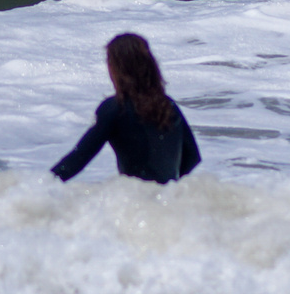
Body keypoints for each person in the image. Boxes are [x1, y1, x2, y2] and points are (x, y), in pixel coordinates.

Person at [52, 32, 201, 184]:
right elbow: (193, 157)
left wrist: (41, 184)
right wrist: (170, 188)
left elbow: (79, 157)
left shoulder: (115, 109)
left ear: (115, 68)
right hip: (168, 202)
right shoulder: (168, 105)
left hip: (135, 202)